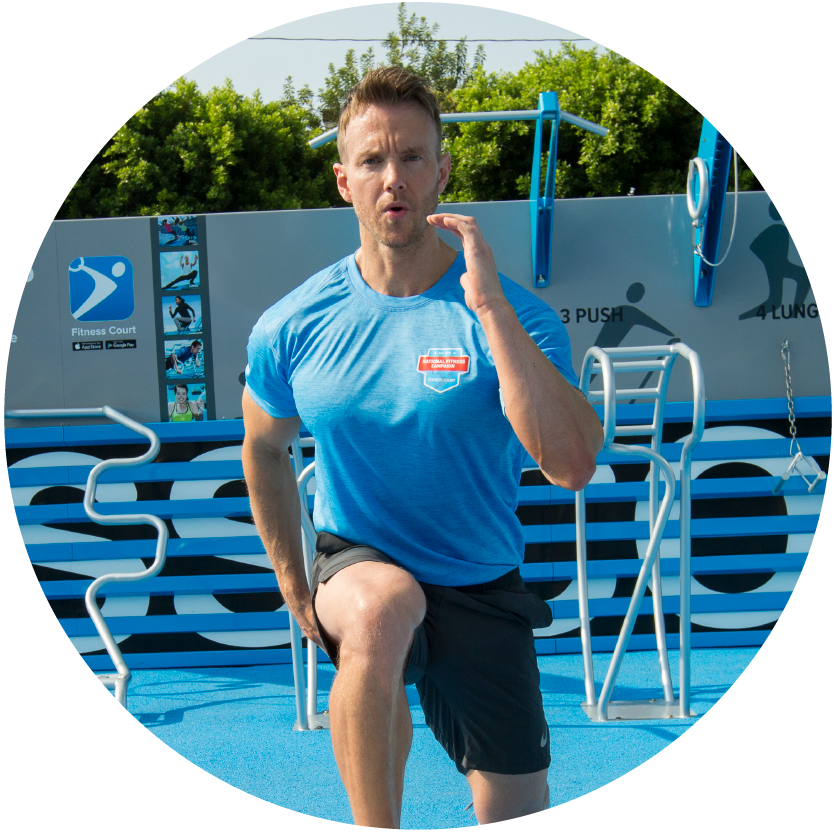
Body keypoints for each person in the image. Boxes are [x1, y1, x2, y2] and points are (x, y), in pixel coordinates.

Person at [242, 67, 603, 829]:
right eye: (372, 160)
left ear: (442, 172)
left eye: (411, 156)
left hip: (480, 580)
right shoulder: (292, 323)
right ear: (344, 181)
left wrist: (488, 306)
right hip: (358, 563)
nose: (393, 177)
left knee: (515, 809)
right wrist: (292, 580)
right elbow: (263, 447)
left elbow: (571, 466)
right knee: (384, 606)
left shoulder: (517, 318)